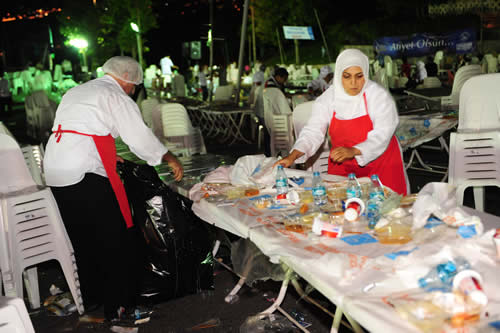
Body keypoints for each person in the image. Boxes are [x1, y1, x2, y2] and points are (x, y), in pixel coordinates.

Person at [43, 56, 184, 321]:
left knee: (84, 238)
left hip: (56, 168)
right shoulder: (115, 95)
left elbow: (80, 130)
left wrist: (109, 157)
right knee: (114, 239)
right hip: (81, 170)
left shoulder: (79, 90)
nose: (133, 90)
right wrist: (168, 157)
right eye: (134, 86)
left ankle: (94, 298)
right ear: (129, 81)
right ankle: (120, 308)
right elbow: (138, 136)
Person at [275, 49, 408, 195]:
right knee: (339, 205)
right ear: (339, 76)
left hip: (382, 162)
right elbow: (313, 131)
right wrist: (292, 156)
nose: (353, 83)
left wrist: (355, 150)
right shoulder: (328, 98)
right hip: (343, 162)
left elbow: (383, 132)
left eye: (359, 76)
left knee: (387, 208)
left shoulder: (377, 95)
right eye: (347, 76)